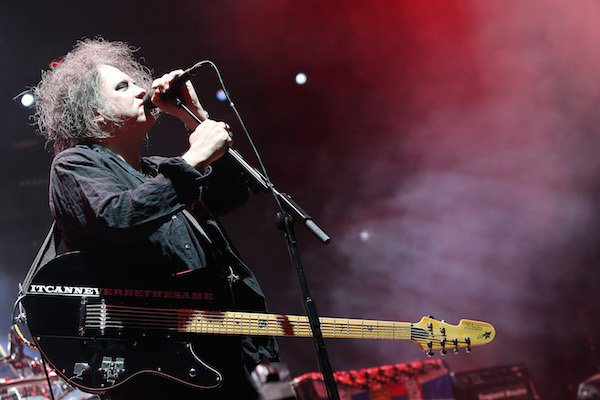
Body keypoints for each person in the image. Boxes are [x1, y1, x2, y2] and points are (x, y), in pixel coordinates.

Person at [32, 38, 278, 399]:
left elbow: (231, 194)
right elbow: (119, 216)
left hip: (215, 348)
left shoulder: (158, 169)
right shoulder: (74, 164)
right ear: (95, 115)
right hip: (154, 365)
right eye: (123, 86)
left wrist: (195, 117)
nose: (142, 90)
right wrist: (192, 160)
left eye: (136, 82)